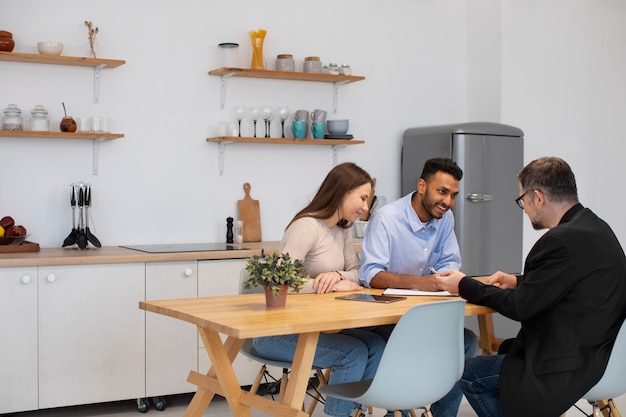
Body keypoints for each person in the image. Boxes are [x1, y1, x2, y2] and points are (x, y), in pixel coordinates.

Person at [436, 156, 626, 417]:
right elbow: (570, 280)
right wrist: (517, 280)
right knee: (504, 350)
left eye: (521, 200)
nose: (524, 208)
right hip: (602, 358)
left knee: (468, 374)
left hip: (565, 365)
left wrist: (464, 284)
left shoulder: (558, 241)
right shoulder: (597, 228)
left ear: (537, 197)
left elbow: (520, 307)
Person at [253, 162, 386, 417]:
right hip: (277, 332)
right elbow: (277, 283)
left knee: (376, 344)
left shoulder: (341, 230)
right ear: (343, 191)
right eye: (363, 198)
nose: (366, 207)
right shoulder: (306, 227)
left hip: (314, 326)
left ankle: (350, 412)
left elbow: (359, 273)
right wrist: (324, 285)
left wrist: (337, 275)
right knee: (354, 352)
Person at [359, 157, 478, 417]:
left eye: (453, 195)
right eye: (442, 192)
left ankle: (441, 414)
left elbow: (449, 261)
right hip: (384, 318)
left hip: (423, 312)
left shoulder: (445, 218)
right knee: (413, 343)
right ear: (422, 186)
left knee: (467, 342)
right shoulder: (386, 218)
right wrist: (424, 283)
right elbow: (370, 273)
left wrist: (449, 277)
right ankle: (398, 407)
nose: (447, 201)